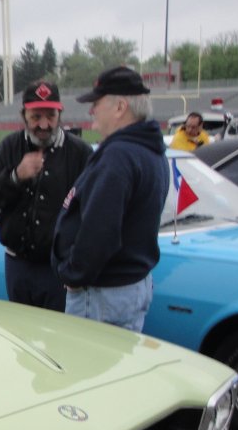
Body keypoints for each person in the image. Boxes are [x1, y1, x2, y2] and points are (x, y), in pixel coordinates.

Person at [52, 66, 169, 333]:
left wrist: (73, 275)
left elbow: (100, 231)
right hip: (126, 288)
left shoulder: (119, 155)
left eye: (97, 103)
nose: (92, 110)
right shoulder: (148, 149)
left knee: (87, 370)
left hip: (103, 294)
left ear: (120, 107)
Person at [0, 80, 93, 311]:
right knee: (20, 338)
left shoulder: (79, 153)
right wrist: (15, 176)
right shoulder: (10, 147)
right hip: (18, 265)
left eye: (50, 116)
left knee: (56, 339)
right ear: (24, 115)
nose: (44, 124)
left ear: (60, 114)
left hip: (58, 271)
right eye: (36, 117)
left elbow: (92, 212)